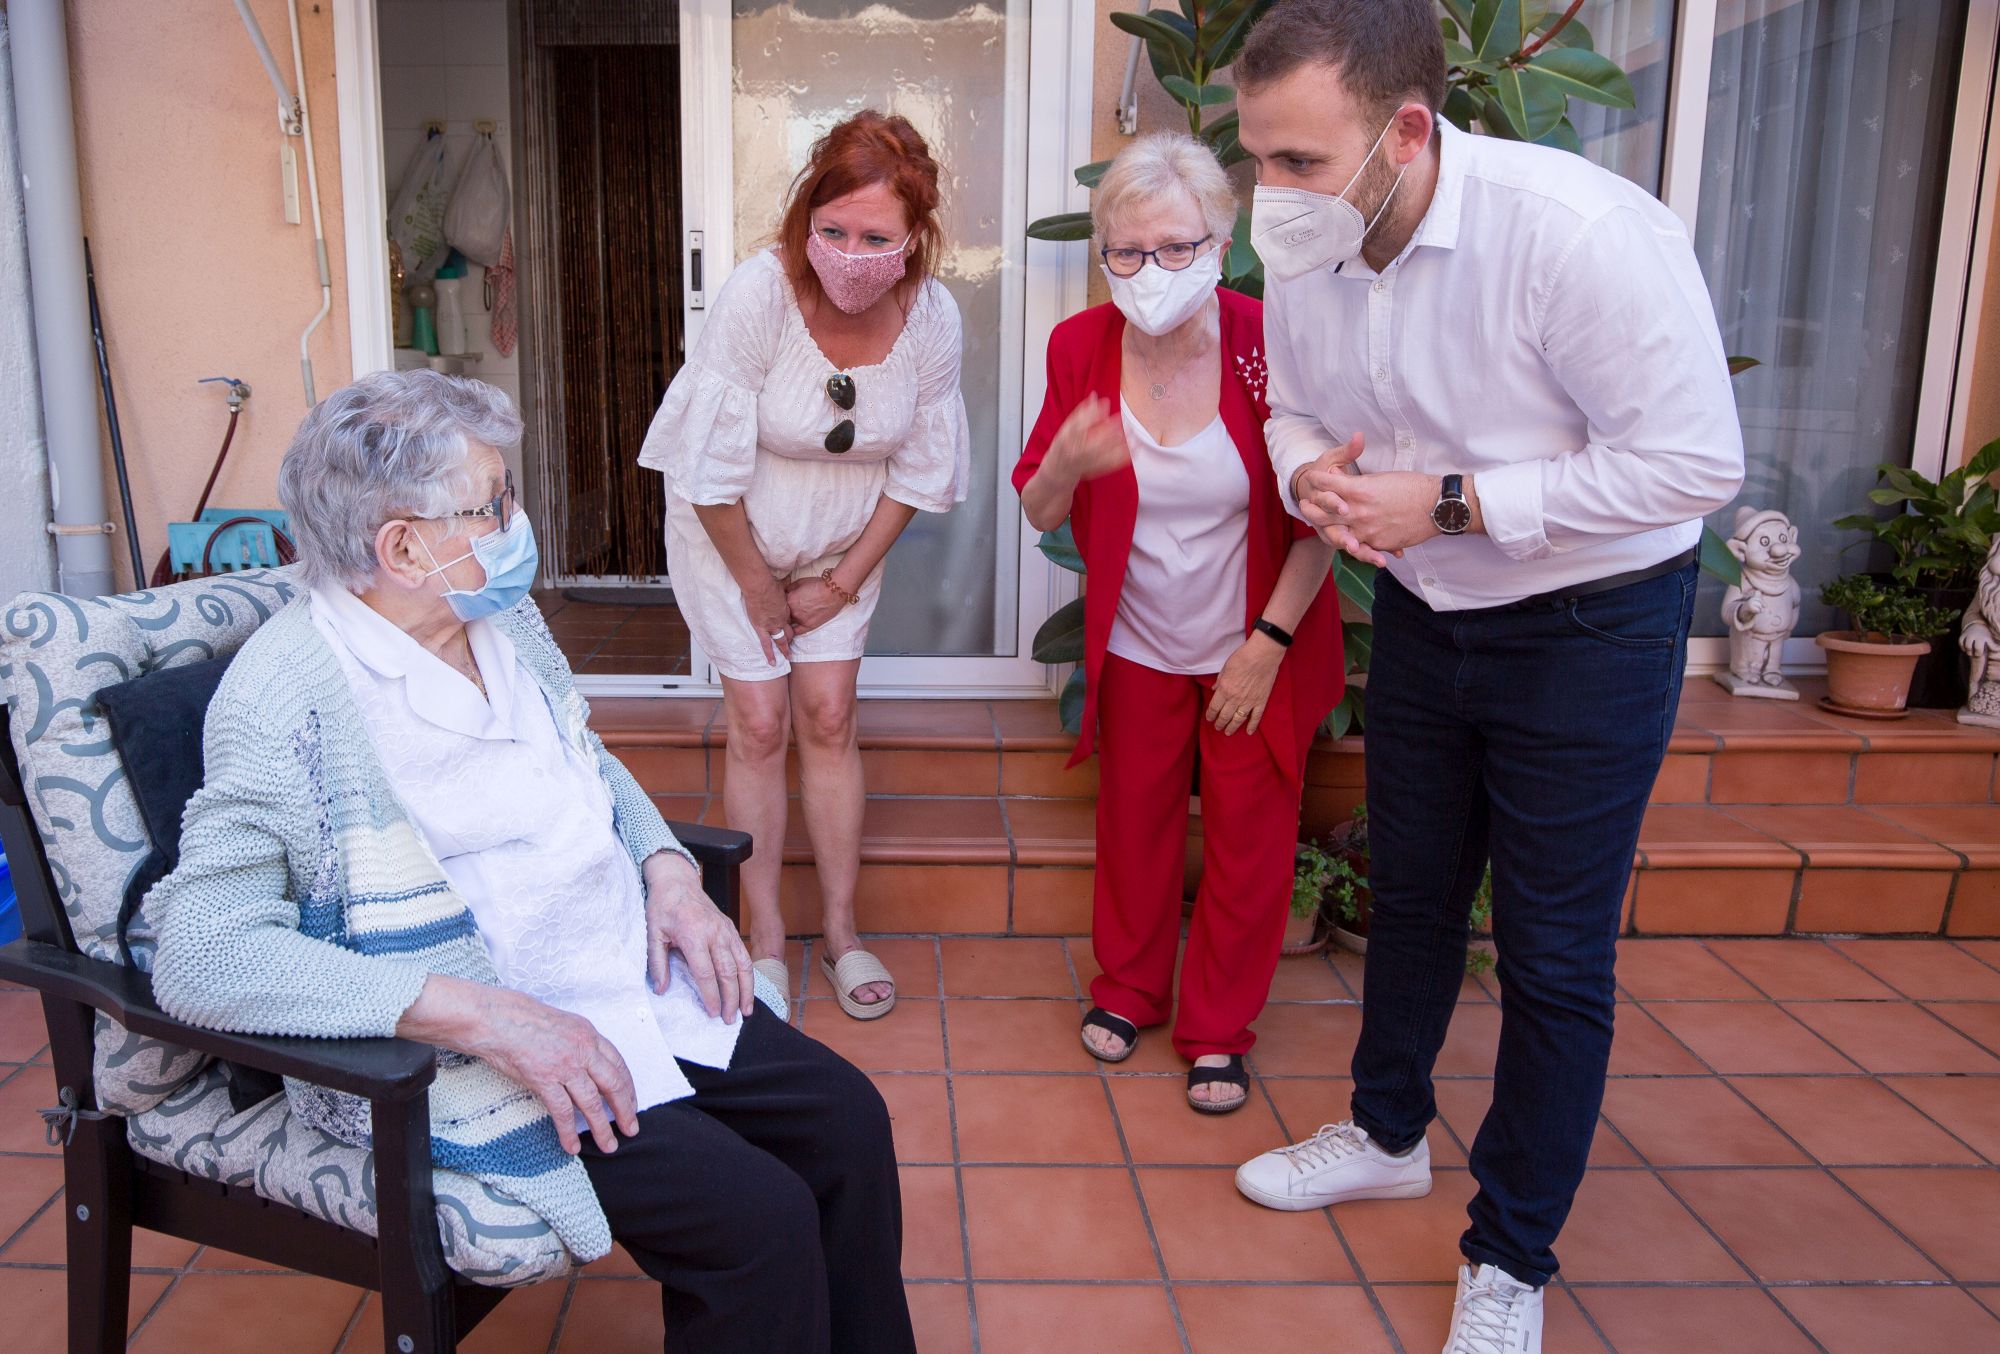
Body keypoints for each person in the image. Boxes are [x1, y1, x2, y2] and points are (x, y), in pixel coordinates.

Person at [150, 370, 917, 1354]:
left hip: (620, 970)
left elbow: (582, 756)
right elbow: (203, 960)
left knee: (846, 1124)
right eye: (494, 502)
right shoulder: (287, 693)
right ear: (402, 547)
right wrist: (488, 1017)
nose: (518, 521)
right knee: (753, 1221)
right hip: (484, 1046)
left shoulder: (495, 618)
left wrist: (667, 869)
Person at [1226, 4, 1745, 1350]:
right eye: (1255, 157)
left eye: (1296, 161)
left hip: (1592, 626)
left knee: (1555, 955)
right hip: (1426, 611)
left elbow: (1695, 465)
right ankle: (1390, 1128)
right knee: (1410, 893)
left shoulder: (1574, 234)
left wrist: (1448, 499)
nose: (1267, 197)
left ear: (1407, 131)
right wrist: (1308, 473)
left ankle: (1510, 1251)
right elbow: (1289, 405)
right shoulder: (1307, 243)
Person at [1014, 133, 1341, 1114]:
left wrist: (1265, 648)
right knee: (1134, 827)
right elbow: (1036, 504)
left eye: (1173, 248)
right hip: (1136, 643)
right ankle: (1126, 990)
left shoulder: (1267, 341)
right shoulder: (1079, 348)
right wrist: (1067, 464)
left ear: (1219, 240)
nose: (1147, 271)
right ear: (1102, 251)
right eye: (1125, 251)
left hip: (1254, 638)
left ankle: (1217, 1032)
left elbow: (1319, 513)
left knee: (1249, 841)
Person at [639, 111, 970, 1021]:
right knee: (757, 721)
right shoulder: (758, 294)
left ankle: (840, 933)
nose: (850, 253)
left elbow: (921, 471)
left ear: (913, 241)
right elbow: (703, 470)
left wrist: (840, 581)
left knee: (827, 715)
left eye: (875, 237)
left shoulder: (932, 317)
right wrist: (758, 588)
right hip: (729, 536)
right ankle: (762, 942)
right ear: (805, 219)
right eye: (832, 230)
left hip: (841, 543)